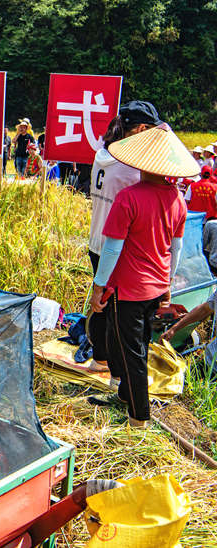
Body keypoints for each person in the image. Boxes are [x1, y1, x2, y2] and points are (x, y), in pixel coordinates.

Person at [88, 123, 195, 429]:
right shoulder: (176, 198)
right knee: (139, 345)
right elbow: (176, 248)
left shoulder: (129, 197)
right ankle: (125, 396)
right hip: (157, 283)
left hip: (130, 288)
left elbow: (111, 251)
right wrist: (168, 285)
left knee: (131, 353)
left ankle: (139, 418)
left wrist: (99, 287)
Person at [87, 101, 164, 372]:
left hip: (96, 240)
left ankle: (100, 359)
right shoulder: (131, 167)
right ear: (141, 129)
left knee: (101, 306)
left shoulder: (102, 153)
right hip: (117, 248)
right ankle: (117, 372)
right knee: (117, 313)